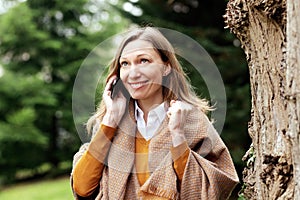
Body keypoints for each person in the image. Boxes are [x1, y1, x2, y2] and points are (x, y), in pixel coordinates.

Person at [71, 26, 239, 200]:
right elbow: (82, 188)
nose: (133, 74)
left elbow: (211, 191)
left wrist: (178, 137)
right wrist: (110, 122)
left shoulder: (192, 121)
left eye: (144, 61)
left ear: (166, 67)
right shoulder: (109, 125)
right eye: (125, 64)